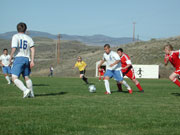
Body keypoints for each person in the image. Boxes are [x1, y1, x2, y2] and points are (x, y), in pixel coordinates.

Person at [9, 22, 35, 98]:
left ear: (17, 28)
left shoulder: (15, 36)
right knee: (26, 77)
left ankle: (25, 90)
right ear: (25, 29)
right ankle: (32, 94)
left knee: (14, 78)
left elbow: (14, 48)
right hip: (27, 59)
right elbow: (33, 49)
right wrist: (32, 60)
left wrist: (10, 57)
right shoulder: (29, 38)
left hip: (19, 58)